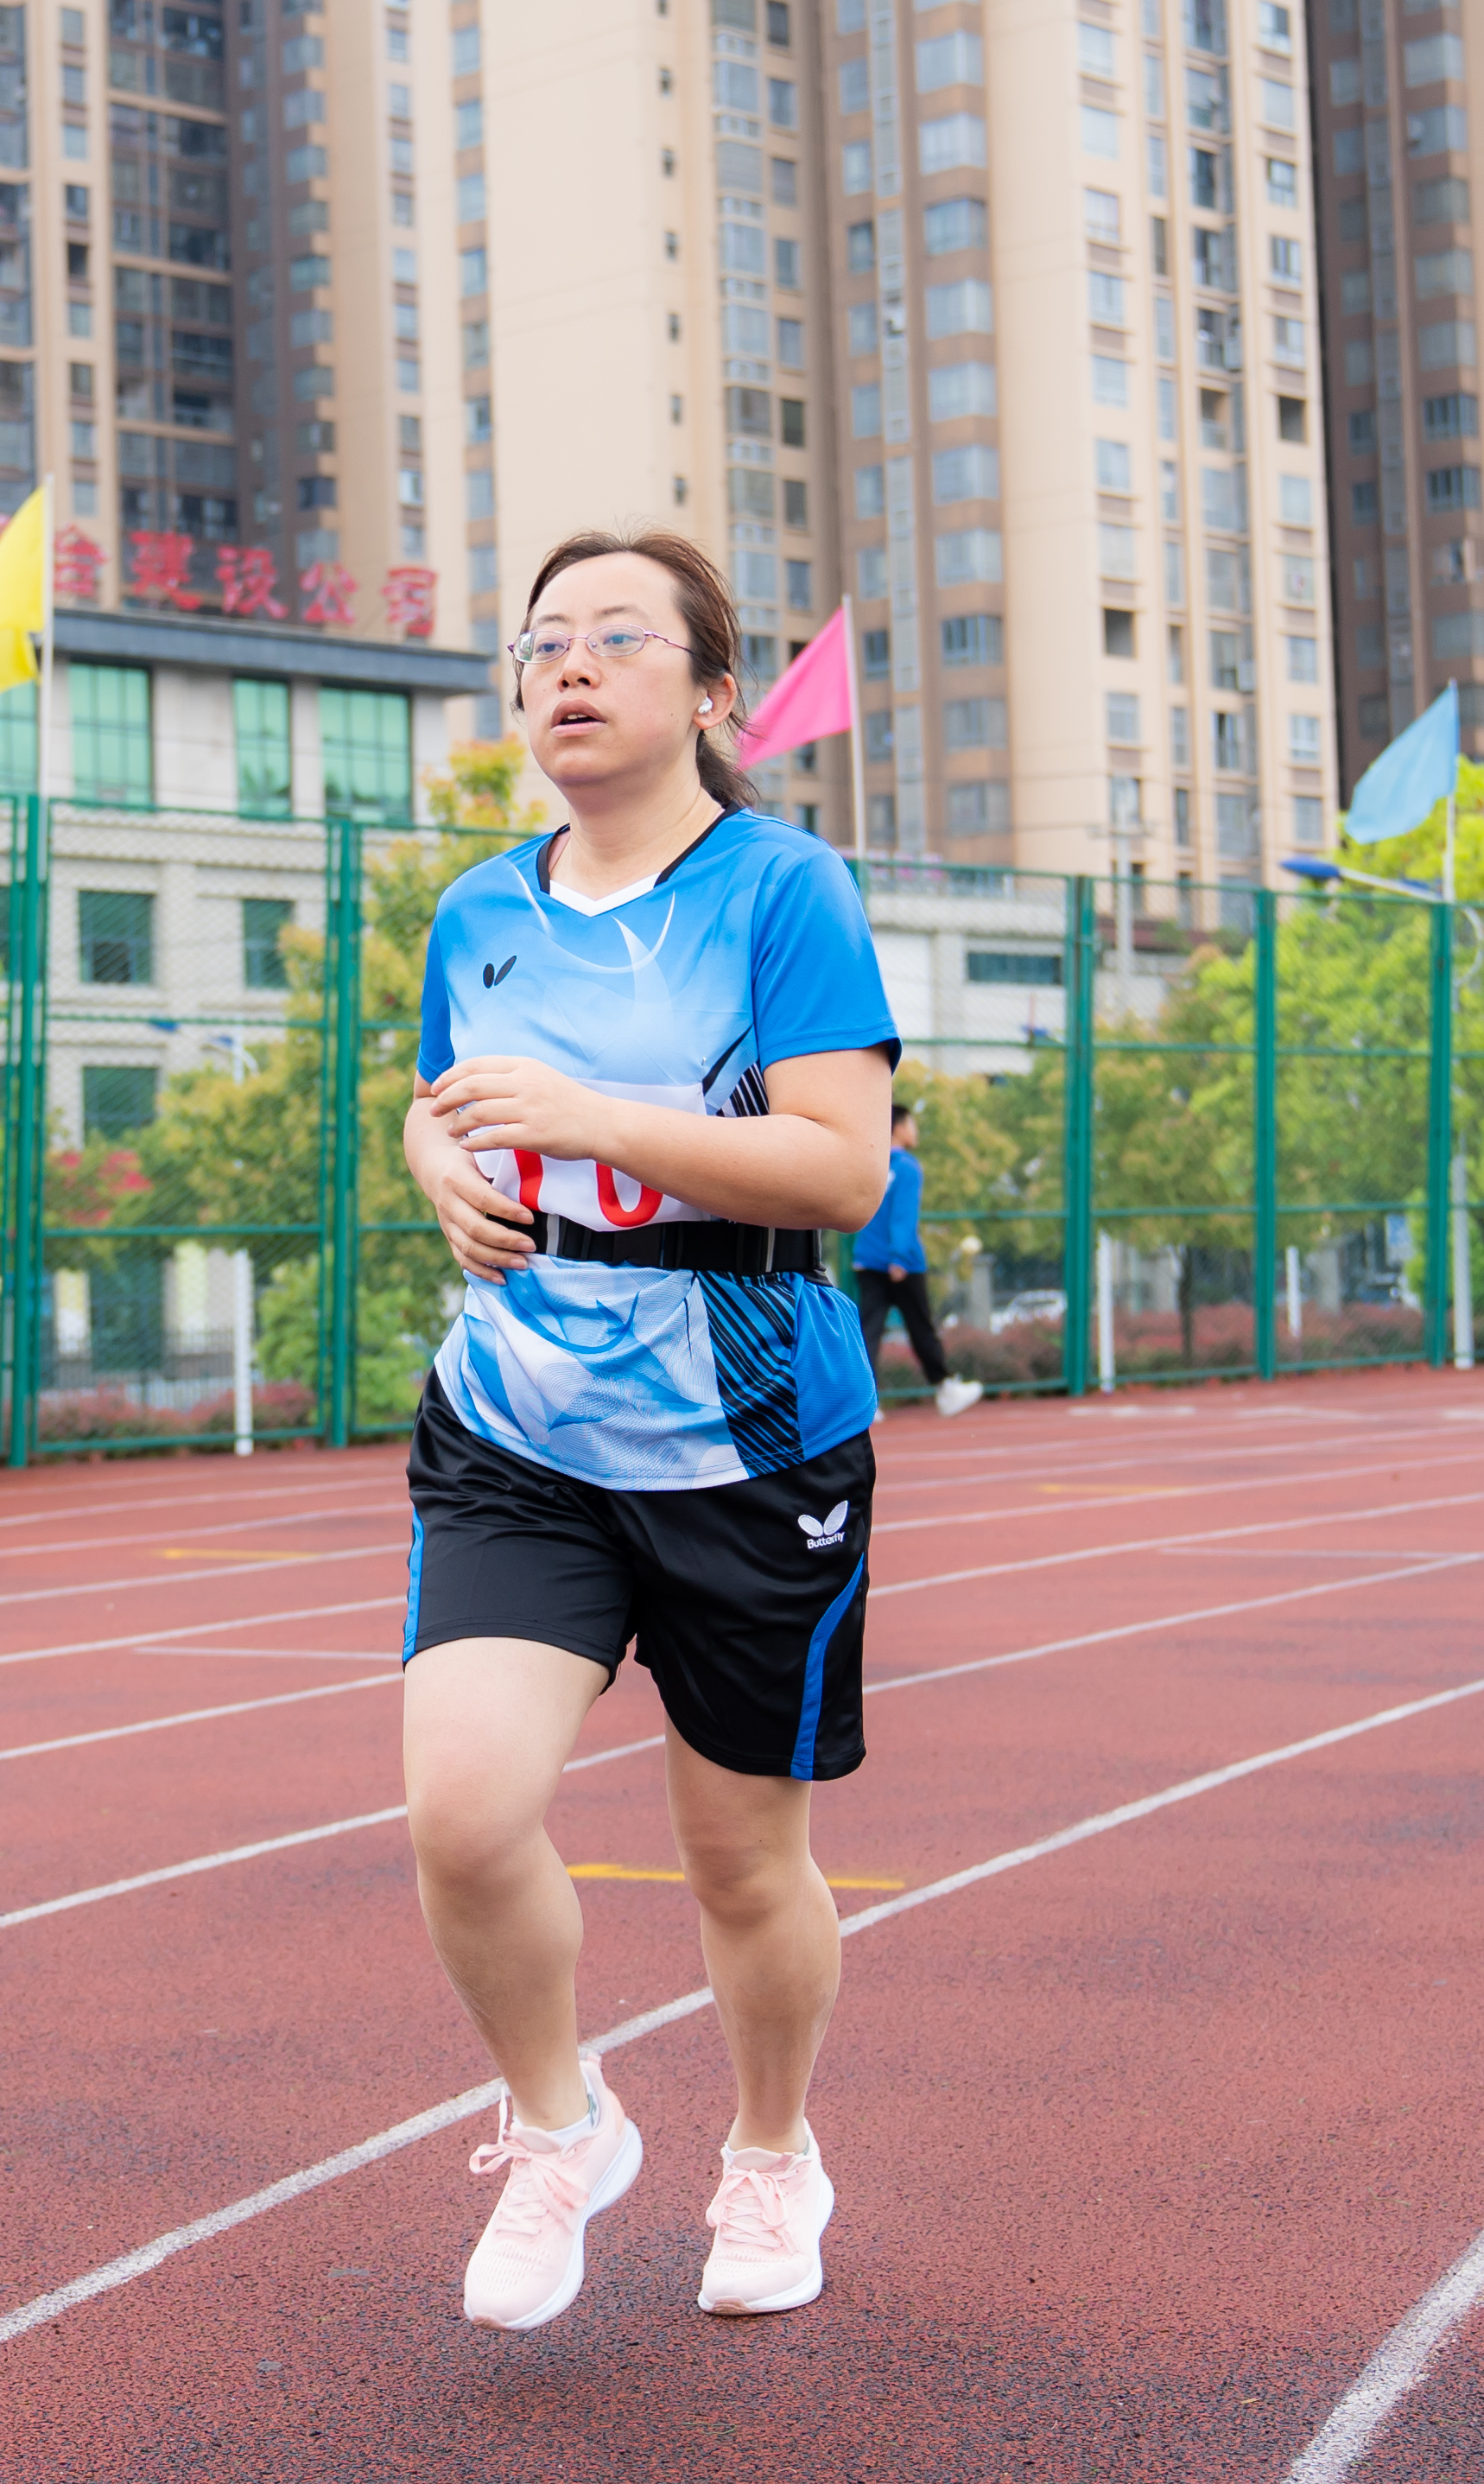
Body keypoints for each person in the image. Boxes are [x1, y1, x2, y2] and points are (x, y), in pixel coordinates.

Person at [398, 528, 897, 2332]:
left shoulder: (780, 892)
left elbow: (843, 1168)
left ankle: (771, 2149)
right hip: (518, 1416)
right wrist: (432, 1157)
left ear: (708, 692)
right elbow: (448, 1100)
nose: (569, 670)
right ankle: (558, 2123)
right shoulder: (480, 908)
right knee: (461, 1813)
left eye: (616, 638)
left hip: (749, 1436)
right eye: (540, 644)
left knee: (739, 1859)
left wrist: (597, 1116)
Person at [851, 1101, 984, 1417]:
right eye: (912, 1123)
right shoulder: (908, 1167)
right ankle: (945, 1387)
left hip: (867, 1258)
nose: (915, 1130)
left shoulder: (872, 1162)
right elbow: (903, 1216)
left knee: (869, 1330)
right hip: (901, 1264)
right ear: (898, 1127)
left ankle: (865, 1401)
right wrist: (898, 1257)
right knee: (921, 1327)